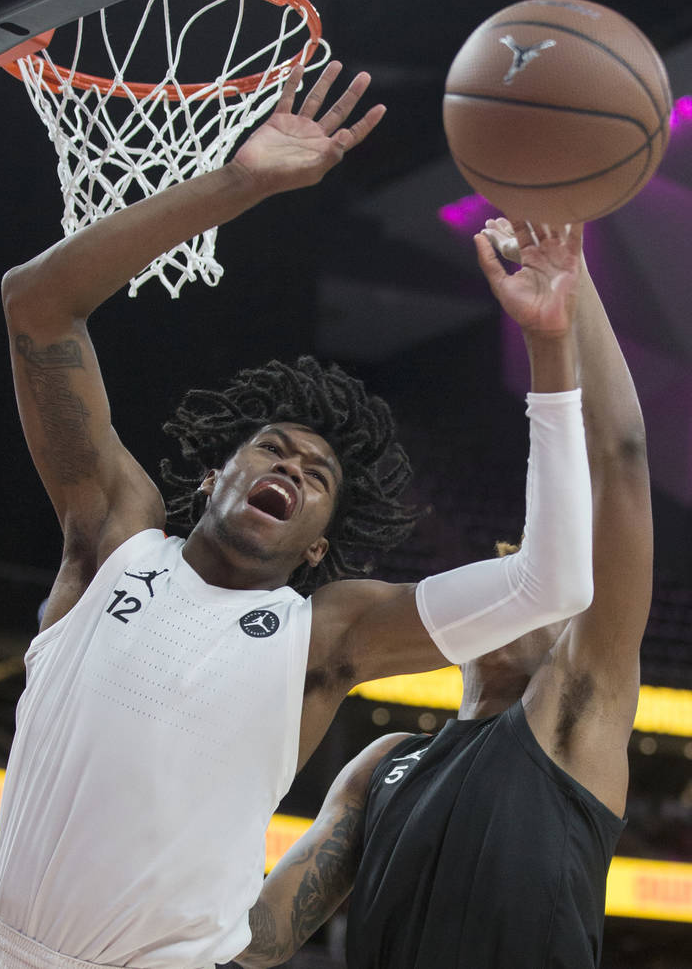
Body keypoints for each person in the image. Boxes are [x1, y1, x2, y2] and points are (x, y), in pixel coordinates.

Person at [0, 65, 593, 969]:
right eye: (273, 451)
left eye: (317, 476)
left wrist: (549, 345)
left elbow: (557, 579)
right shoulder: (113, 537)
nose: (292, 470)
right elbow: (35, 307)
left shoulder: (324, 634)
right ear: (219, 473)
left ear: (321, 543)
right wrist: (239, 183)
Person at [233, 218, 653, 969]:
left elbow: (619, 457)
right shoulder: (382, 764)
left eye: (532, 585)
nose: (513, 590)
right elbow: (259, 941)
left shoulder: (571, 717)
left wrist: (569, 284)